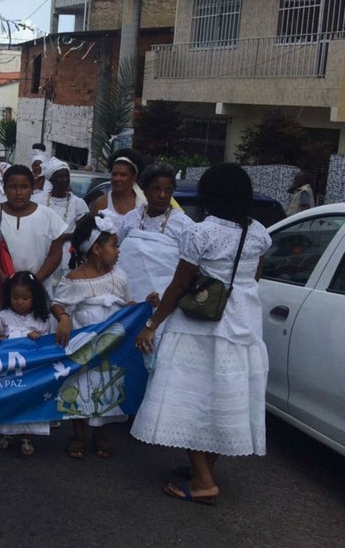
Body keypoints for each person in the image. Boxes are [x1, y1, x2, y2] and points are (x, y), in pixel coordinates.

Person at [132, 165, 272, 506]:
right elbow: (254, 274)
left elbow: (180, 285)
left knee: (190, 398)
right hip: (243, 324)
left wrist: (151, 325)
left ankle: (205, 482)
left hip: (200, 328)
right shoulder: (258, 233)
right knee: (224, 398)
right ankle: (201, 468)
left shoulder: (200, 233)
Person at [52, 214, 153, 459]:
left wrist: (143, 306)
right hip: (84, 341)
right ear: (96, 249)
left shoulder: (119, 276)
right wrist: (63, 317)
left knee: (104, 384)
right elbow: (58, 303)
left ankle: (100, 431)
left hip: (111, 343)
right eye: (114, 245)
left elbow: (126, 305)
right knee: (81, 382)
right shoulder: (73, 279)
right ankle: (78, 432)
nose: (118, 251)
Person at [0, 271, 53, 457]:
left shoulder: (41, 319)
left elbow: (47, 345)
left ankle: (27, 436)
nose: (19, 302)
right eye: (15, 297)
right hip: (10, 372)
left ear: (34, 297)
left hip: (32, 373)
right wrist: (3, 338)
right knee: (10, 401)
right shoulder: (3, 316)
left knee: (28, 402)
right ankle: (8, 434)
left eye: (25, 298)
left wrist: (37, 338)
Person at [117, 163, 195, 303]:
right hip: (127, 300)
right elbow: (118, 253)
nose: (162, 195)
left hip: (165, 301)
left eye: (168, 190)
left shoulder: (184, 225)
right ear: (145, 191)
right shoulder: (130, 219)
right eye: (156, 189)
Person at [0, 165, 66, 286]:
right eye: (13, 187)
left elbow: (55, 254)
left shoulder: (47, 215)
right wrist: (3, 278)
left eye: (24, 187)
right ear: (4, 188)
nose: (18, 193)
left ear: (32, 188)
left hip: (39, 287)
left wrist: (35, 282)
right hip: (3, 288)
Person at [33, 158, 90, 290]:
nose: (64, 180)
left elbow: (84, 230)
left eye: (66, 176)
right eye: (60, 176)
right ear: (51, 179)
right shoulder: (38, 200)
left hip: (67, 253)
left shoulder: (78, 203)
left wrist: (64, 237)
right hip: (43, 250)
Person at [90, 148, 147, 226]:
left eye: (123, 175)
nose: (117, 179)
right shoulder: (101, 204)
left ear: (134, 177)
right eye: (114, 174)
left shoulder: (144, 203)